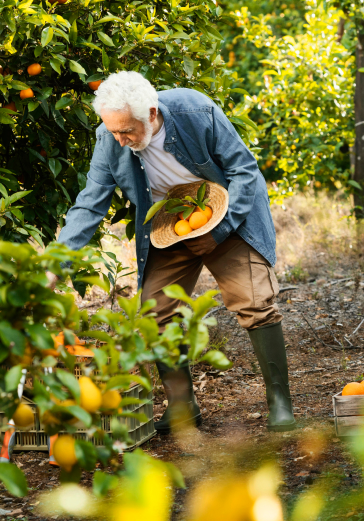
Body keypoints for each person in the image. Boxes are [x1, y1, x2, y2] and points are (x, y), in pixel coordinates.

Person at [48, 71, 297, 433]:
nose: (120, 140)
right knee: (155, 312)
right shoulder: (110, 138)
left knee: (255, 300)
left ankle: (280, 403)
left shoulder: (195, 111)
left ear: (151, 113)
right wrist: (54, 263)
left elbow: (244, 170)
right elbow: (89, 205)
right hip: (170, 228)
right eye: (114, 131)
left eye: (126, 131)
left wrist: (221, 231)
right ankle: (182, 406)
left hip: (225, 213)